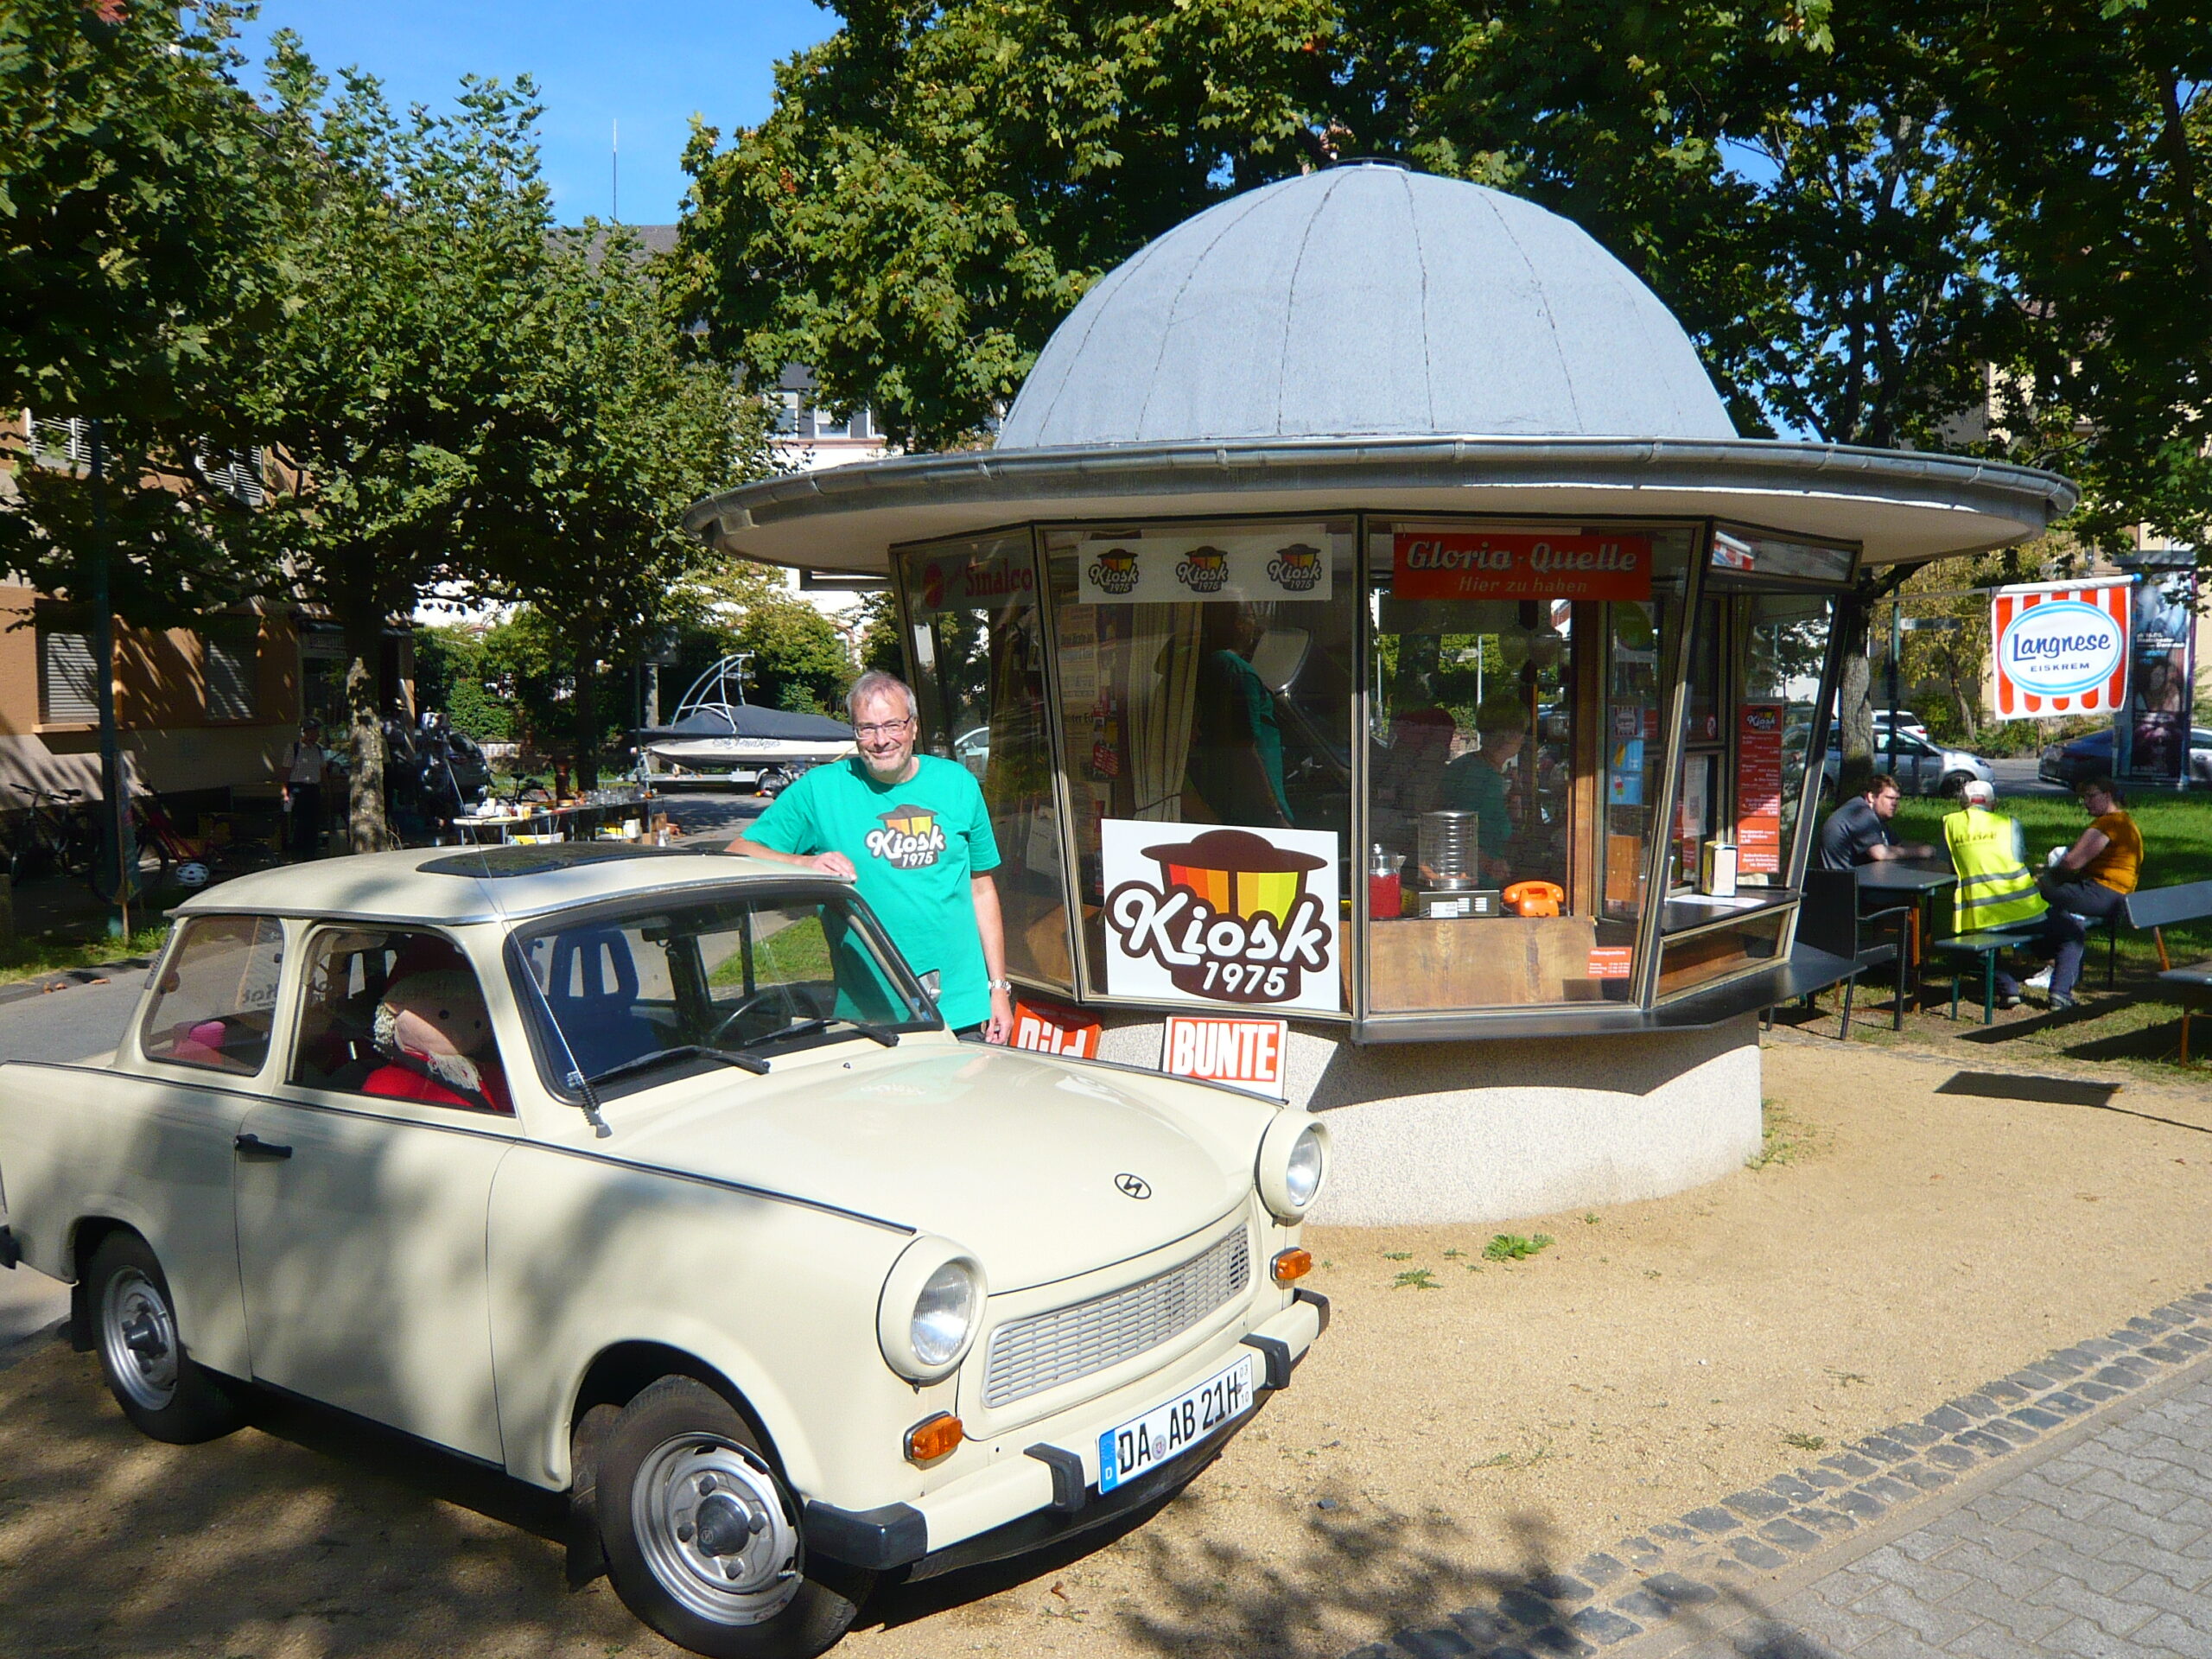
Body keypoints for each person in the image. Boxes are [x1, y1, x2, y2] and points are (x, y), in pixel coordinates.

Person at [727, 670, 1014, 1042]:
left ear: (912, 726)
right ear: (855, 732)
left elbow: (982, 890)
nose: (881, 740)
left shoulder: (957, 783)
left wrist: (998, 990)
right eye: (867, 728)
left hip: (962, 1009)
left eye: (893, 725)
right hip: (872, 1013)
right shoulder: (820, 791)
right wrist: (805, 863)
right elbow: (739, 852)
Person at [2032, 777, 2143, 1010]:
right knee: (2070, 922)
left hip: (2102, 894)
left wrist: (2045, 880)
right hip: (2120, 900)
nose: (2085, 802)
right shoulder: (2127, 823)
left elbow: (2072, 862)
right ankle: (2061, 991)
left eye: (2091, 796)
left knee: (2029, 897)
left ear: (2108, 796)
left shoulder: (2108, 824)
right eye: (2084, 797)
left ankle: (2047, 958)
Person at [1942, 780, 2045, 1007]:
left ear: (1963, 803)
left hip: (1980, 915)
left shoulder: (1950, 824)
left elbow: (1949, 863)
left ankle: (2008, 987)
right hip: (2025, 909)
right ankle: (2060, 991)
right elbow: (2019, 857)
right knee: (2069, 933)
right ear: (1993, 804)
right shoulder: (2009, 824)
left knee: (1973, 953)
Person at [1188, 605, 1292, 828]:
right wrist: (1275, 813)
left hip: (1225, 800)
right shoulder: (1238, 672)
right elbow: (1244, 748)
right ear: (1239, 623)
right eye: (1253, 618)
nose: (1258, 627)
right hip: (1254, 811)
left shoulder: (1213, 665)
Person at [1438, 696, 1528, 884]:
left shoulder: (1470, 766)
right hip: (1473, 881)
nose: (1523, 738)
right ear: (1508, 735)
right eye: (1521, 732)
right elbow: (1454, 829)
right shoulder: (1481, 777)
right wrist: (1488, 864)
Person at [1815, 772, 1936, 871]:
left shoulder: (1874, 816)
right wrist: (1920, 852)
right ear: (1871, 797)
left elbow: (1897, 844)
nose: (1894, 804)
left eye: (1897, 799)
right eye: (1889, 798)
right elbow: (1880, 853)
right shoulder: (1860, 812)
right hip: (1842, 887)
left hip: (1858, 880)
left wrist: (1928, 847)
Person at [278, 717, 327, 862]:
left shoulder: (318, 750)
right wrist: (284, 792)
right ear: (306, 733)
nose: (318, 735)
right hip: (297, 789)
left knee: (314, 822)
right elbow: (285, 771)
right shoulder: (293, 748)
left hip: (313, 789)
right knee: (299, 822)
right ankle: (296, 853)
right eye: (315, 731)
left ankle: (310, 853)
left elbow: (322, 770)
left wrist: (327, 788)